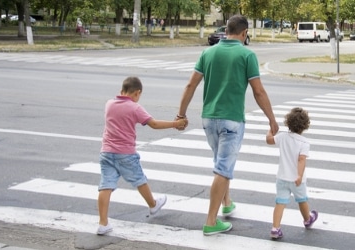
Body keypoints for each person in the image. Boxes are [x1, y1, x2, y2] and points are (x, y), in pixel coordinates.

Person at [175, 14, 279, 236]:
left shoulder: (208, 52)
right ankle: (211, 221)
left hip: (208, 119)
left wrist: (181, 114)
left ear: (226, 31)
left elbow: (190, 85)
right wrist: (272, 119)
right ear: (244, 33)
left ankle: (227, 203)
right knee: (223, 168)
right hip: (231, 120)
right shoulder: (246, 54)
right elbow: (258, 91)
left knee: (220, 163)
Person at [96, 76, 187, 235]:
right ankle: (153, 205)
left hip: (106, 152)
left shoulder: (109, 104)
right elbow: (154, 124)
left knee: (106, 186)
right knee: (140, 180)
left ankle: (103, 223)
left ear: (121, 90)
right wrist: (175, 124)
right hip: (125, 153)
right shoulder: (134, 108)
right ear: (137, 93)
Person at [265, 107, 318, 239]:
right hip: (296, 180)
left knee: (280, 203)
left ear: (288, 123)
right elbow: (301, 160)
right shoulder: (304, 142)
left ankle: (275, 228)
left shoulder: (282, 137)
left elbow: (269, 140)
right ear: (305, 126)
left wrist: (270, 130)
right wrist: (299, 175)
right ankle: (307, 219)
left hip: (282, 178)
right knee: (302, 200)